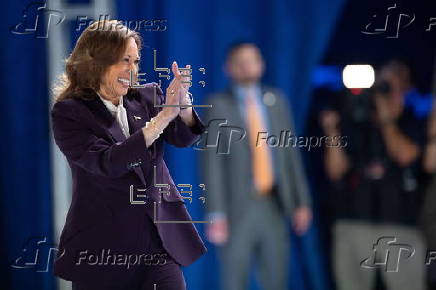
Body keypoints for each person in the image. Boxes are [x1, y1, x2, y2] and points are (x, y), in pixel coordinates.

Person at [51, 20, 206, 290]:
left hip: (158, 240)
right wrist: (160, 120)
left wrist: (182, 108)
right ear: (96, 62)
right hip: (103, 251)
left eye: (135, 61)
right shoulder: (69, 113)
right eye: (124, 60)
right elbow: (109, 162)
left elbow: (183, 137)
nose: (132, 70)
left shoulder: (147, 97)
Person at [200, 42, 312, 290]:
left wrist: (301, 201)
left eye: (252, 60)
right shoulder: (218, 104)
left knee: (276, 278)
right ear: (228, 68)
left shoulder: (276, 101)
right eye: (239, 61)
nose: (246, 66)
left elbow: (290, 156)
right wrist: (216, 213)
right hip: (237, 207)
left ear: (261, 65)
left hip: (274, 203)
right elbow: (212, 162)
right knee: (234, 280)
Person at [321, 60, 428, 290]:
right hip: (353, 222)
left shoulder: (414, 119)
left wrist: (386, 120)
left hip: (401, 227)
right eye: (382, 84)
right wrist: (331, 131)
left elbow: (406, 156)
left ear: (407, 87)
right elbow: (336, 171)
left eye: (392, 85)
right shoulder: (355, 118)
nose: (385, 91)